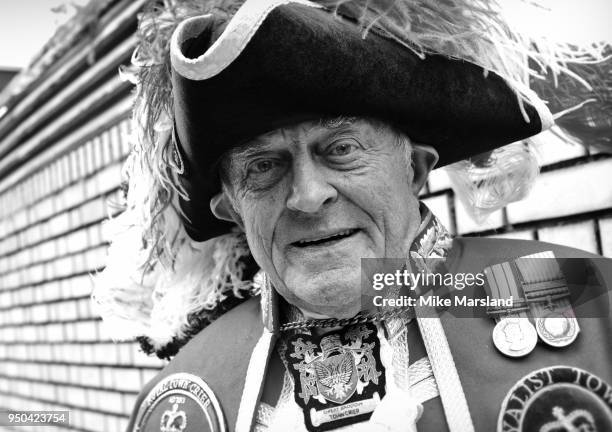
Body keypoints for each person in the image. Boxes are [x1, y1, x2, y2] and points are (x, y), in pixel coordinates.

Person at [92, 0, 612, 431]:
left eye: (340, 148)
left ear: (415, 169)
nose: (307, 196)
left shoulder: (594, 299)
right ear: (233, 210)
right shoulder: (179, 400)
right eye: (265, 166)